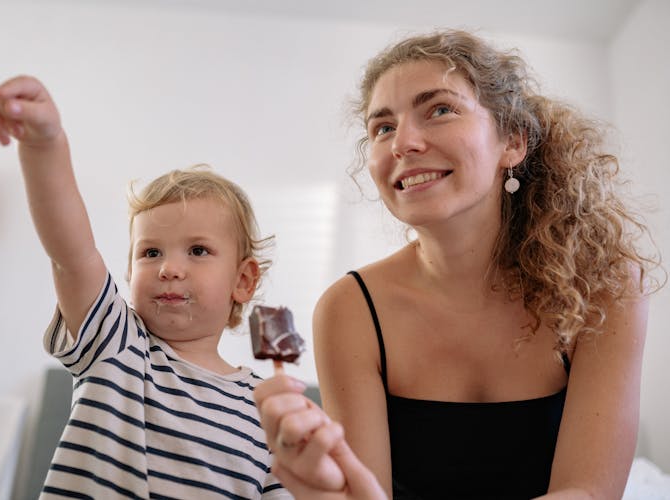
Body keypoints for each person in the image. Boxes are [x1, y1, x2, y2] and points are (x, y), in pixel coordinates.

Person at [254, 29, 662, 499]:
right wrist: (327, 493)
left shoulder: (605, 286)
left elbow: (588, 493)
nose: (402, 143)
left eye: (440, 109)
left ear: (513, 141)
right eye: (382, 127)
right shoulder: (349, 309)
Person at [0, 76, 293, 499]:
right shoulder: (117, 344)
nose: (169, 269)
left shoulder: (268, 409)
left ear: (243, 280)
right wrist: (43, 145)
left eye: (197, 251)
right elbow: (70, 254)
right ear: (127, 271)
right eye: (150, 253)